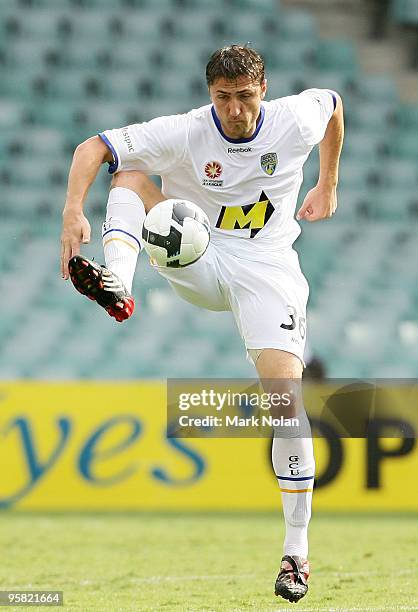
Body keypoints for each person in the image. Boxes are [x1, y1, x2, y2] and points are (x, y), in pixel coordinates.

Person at [60, 45, 344, 603]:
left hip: (269, 268)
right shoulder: (186, 132)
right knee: (132, 173)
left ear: (263, 90)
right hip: (201, 256)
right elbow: (93, 147)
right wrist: (73, 210)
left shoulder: (293, 118)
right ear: (208, 94)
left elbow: (334, 106)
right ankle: (118, 279)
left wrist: (328, 183)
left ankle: (296, 554)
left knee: (285, 400)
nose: (234, 110)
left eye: (244, 97)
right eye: (222, 98)